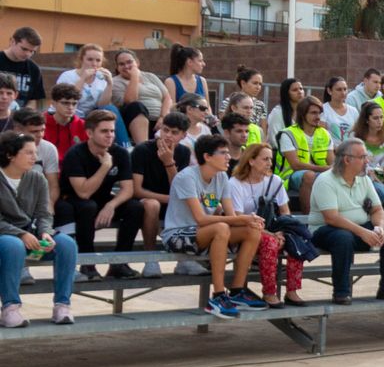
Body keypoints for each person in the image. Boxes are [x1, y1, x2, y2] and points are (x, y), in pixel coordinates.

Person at [162, 134, 266, 317]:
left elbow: (231, 215)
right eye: (223, 153)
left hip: (206, 232)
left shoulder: (222, 177)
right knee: (222, 227)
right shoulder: (186, 177)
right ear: (207, 157)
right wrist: (243, 219)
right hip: (177, 234)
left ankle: (236, 291)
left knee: (252, 229)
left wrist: (248, 221)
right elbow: (201, 219)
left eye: (228, 153)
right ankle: (218, 295)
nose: (229, 157)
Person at [309, 139, 384, 304]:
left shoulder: (364, 179)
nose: (367, 161)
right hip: (325, 230)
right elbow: (331, 217)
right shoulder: (325, 180)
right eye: (363, 157)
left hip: (357, 230)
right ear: (347, 160)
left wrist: (379, 228)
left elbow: (377, 210)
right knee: (343, 237)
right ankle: (341, 292)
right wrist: (363, 232)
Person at [0, 131, 78, 327]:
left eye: (35, 152)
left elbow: (44, 213)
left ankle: (62, 305)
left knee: (67, 244)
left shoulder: (37, 178)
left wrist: (45, 232)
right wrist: (20, 234)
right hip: (6, 237)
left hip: (30, 235)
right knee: (13, 245)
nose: (35, 157)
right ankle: (10, 308)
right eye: (29, 153)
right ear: (10, 154)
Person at [55, 110, 143, 279]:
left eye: (112, 131)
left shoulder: (120, 153)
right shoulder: (76, 154)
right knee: (88, 206)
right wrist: (105, 167)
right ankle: (88, 264)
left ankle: (119, 263)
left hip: (101, 199)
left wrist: (111, 205)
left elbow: (128, 189)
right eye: (104, 131)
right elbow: (83, 192)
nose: (110, 135)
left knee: (135, 207)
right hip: (73, 200)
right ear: (89, 133)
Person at [228, 143, 305, 308]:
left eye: (271, 158)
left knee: (295, 241)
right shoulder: (235, 183)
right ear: (251, 161)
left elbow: (285, 211)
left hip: (271, 227)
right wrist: (271, 235)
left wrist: (283, 232)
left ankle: (292, 291)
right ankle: (269, 293)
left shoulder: (275, 181)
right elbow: (237, 216)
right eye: (265, 159)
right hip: (245, 230)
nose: (270, 163)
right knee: (270, 243)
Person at [131, 112, 196, 277]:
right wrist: (171, 199)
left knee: (193, 202)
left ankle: (184, 259)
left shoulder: (183, 152)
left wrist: (169, 162)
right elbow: (137, 190)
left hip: (171, 202)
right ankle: (151, 260)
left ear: (183, 135)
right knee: (152, 204)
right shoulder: (142, 150)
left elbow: (178, 188)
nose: (168, 135)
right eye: (165, 130)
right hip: (145, 202)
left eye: (174, 133)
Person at [276, 96, 331, 212]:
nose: (318, 117)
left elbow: (332, 161)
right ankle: (308, 216)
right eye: (313, 113)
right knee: (309, 175)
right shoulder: (288, 134)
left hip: (320, 173)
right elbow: (295, 165)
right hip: (290, 176)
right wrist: (324, 169)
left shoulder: (324, 133)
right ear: (302, 114)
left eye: (319, 113)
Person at [111, 49, 172, 145]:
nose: (126, 66)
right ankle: (142, 148)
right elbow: (130, 101)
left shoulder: (150, 76)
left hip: (160, 120)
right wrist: (134, 77)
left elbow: (167, 97)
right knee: (136, 106)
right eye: (121, 64)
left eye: (129, 62)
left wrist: (163, 117)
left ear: (137, 62)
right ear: (117, 67)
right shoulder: (115, 82)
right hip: (135, 120)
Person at [13, 110, 59, 204]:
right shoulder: (4, 146)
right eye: (34, 132)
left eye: (42, 130)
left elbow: (53, 185)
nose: (40, 135)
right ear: (18, 130)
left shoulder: (49, 148)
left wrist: (50, 204)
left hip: (38, 199)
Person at [55, 44, 112, 121]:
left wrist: (109, 84)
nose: (94, 64)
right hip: (69, 114)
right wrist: (83, 79)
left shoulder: (101, 79)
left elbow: (102, 105)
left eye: (98, 60)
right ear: (81, 59)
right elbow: (67, 99)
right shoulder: (68, 76)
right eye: (90, 59)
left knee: (111, 109)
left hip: (91, 116)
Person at [0, 27, 46, 108]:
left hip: (20, 118)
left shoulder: (34, 69)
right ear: (12, 41)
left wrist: (24, 117)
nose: (28, 54)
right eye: (24, 49)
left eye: (32, 51)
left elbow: (34, 100)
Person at [43, 84, 86, 158]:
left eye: (74, 104)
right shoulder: (41, 123)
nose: (70, 107)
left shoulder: (83, 125)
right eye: (65, 103)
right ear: (54, 103)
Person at [321, 76, 358, 144]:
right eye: (339, 89)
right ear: (329, 91)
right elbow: (322, 135)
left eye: (345, 89)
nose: (343, 92)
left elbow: (358, 133)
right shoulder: (323, 109)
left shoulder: (353, 111)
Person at [267, 78, 304, 145]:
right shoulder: (277, 112)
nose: (299, 92)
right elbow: (274, 139)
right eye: (295, 90)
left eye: (301, 89)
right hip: (281, 153)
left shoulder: (305, 111)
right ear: (286, 93)